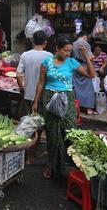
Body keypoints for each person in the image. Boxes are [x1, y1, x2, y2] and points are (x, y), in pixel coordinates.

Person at [32, 35, 95, 179]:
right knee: (52, 134)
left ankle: (72, 163)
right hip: (50, 98)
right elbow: (41, 83)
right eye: (65, 51)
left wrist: (86, 57)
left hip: (67, 99)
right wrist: (36, 101)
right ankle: (51, 164)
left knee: (70, 131)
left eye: (70, 51)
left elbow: (92, 75)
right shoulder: (46, 63)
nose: (68, 54)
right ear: (57, 49)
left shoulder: (72, 62)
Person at [16, 30, 52, 163]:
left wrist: (22, 88)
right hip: (43, 97)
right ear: (45, 42)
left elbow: (18, 75)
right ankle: (31, 156)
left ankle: (21, 153)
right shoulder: (49, 56)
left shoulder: (25, 55)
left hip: (28, 96)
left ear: (32, 41)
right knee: (38, 127)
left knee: (26, 125)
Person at [72, 31, 97, 115]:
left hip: (75, 66)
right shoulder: (86, 44)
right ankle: (89, 109)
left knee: (76, 87)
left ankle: (77, 106)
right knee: (88, 88)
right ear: (84, 37)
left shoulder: (73, 44)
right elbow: (90, 57)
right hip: (85, 66)